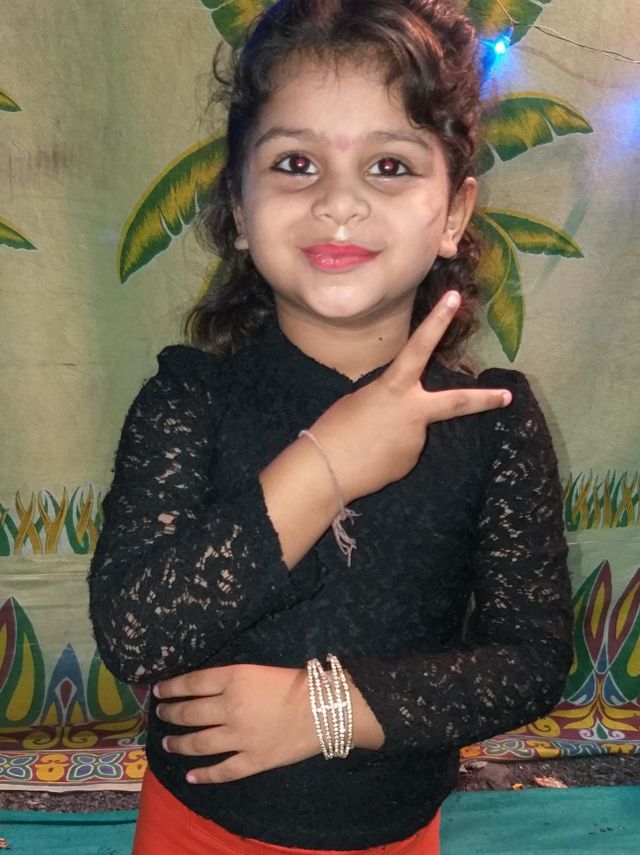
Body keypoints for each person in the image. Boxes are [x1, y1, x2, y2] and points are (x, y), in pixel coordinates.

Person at [88, 1, 573, 852]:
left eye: (389, 164)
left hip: (394, 833)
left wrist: (326, 708)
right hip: (197, 829)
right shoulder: (188, 398)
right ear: (240, 207)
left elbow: (530, 660)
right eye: (296, 162)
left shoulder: (493, 419)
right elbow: (136, 632)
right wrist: (326, 466)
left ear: (453, 214)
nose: (339, 202)